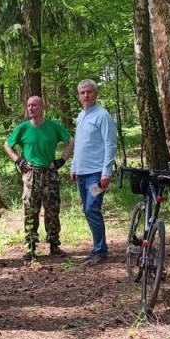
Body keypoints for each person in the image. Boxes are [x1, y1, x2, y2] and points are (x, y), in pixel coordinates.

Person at [3, 95, 74, 262]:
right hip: (31, 174)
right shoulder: (23, 128)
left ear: (42, 107)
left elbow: (70, 141)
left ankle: (54, 245)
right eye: (28, 105)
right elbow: (7, 145)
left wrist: (61, 160)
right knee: (30, 211)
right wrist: (18, 160)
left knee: (52, 210)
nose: (31, 108)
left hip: (49, 173)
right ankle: (31, 247)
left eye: (34, 105)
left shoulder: (54, 126)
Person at [69, 79, 118, 266]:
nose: (86, 95)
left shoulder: (102, 116)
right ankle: (97, 247)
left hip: (96, 174)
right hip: (82, 173)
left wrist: (106, 172)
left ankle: (101, 251)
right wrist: (74, 167)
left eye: (89, 92)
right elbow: (79, 145)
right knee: (87, 210)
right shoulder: (82, 116)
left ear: (95, 94)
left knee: (92, 209)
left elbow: (109, 144)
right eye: (82, 93)